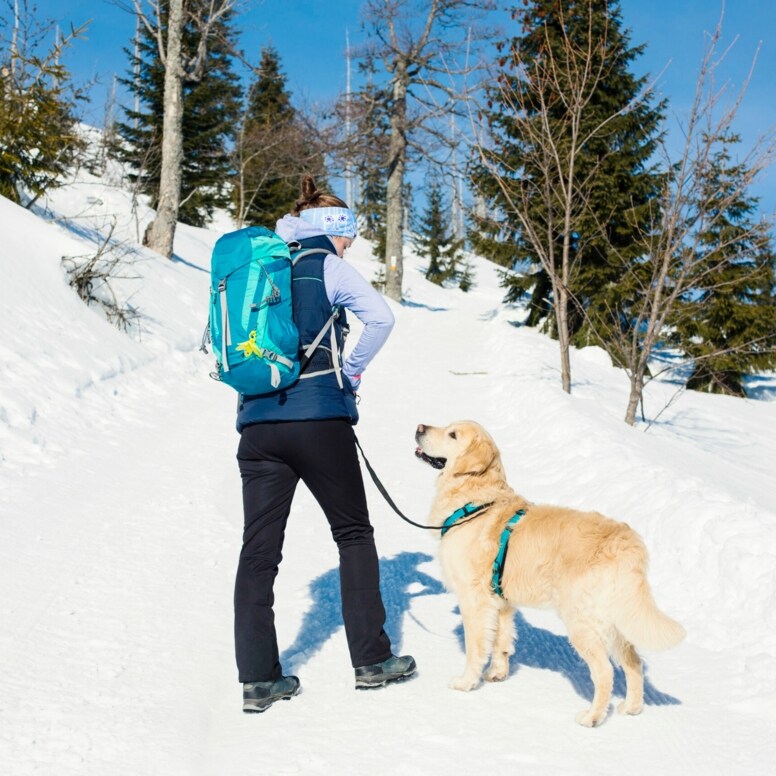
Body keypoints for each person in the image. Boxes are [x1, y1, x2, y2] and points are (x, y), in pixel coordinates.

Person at [234, 176, 416, 713]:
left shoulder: (257, 267)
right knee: (353, 533)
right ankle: (371, 661)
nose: (350, 248)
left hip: (257, 425)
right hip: (319, 419)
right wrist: (350, 374)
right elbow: (380, 318)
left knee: (259, 550)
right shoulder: (327, 266)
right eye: (350, 239)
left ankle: (258, 678)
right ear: (335, 232)